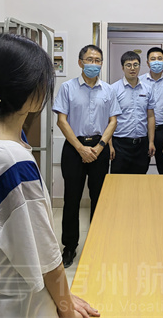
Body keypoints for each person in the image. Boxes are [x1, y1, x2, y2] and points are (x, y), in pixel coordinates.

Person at [0, 33, 99, 318]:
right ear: (32, 90)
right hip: (22, 306)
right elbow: (47, 257)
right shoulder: (15, 164)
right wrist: (66, 307)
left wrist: (65, 295)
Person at [53, 44, 121, 268]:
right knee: (71, 199)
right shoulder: (67, 88)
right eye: (90, 59)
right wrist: (81, 148)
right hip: (74, 148)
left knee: (99, 199)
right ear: (80, 62)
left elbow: (113, 121)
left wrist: (100, 147)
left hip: (99, 147)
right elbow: (61, 121)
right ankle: (69, 246)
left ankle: (97, 244)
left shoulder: (108, 90)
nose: (94, 64)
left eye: (98, 60)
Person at [109, 51, 156, 174]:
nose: (132, 68)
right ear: (122, 67)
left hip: (142, 144)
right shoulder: (113, 89)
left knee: (140, 180)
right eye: (128, 65)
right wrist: (110, 145)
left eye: (135, 65)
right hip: (120, 144)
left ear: (140, 66)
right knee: (119, 181)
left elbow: (151, 116)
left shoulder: (147, 89)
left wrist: (151, 142)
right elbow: (108, 119)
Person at [140, 47, 163, 174]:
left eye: (159, 59)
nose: (156, 62)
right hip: (144, 131)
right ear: (147, 62)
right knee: (140, 167)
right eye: (153, 59)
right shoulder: (140, 81)